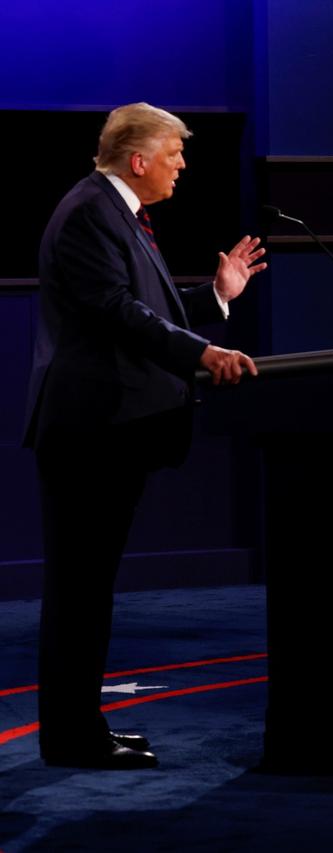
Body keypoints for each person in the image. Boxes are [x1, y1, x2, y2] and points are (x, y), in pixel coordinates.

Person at [21, 103, 266, 769]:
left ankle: (81, 727)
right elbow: (116, 313)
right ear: (139, 159)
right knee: (79, 589)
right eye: (174, 154)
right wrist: (202, 354)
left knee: (89, 588)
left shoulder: (112, 211)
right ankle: (72, 737)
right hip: (89, 432)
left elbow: (143, 310)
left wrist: (216, 296)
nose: (182, 166)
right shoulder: (89, 214)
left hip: (107, 431)